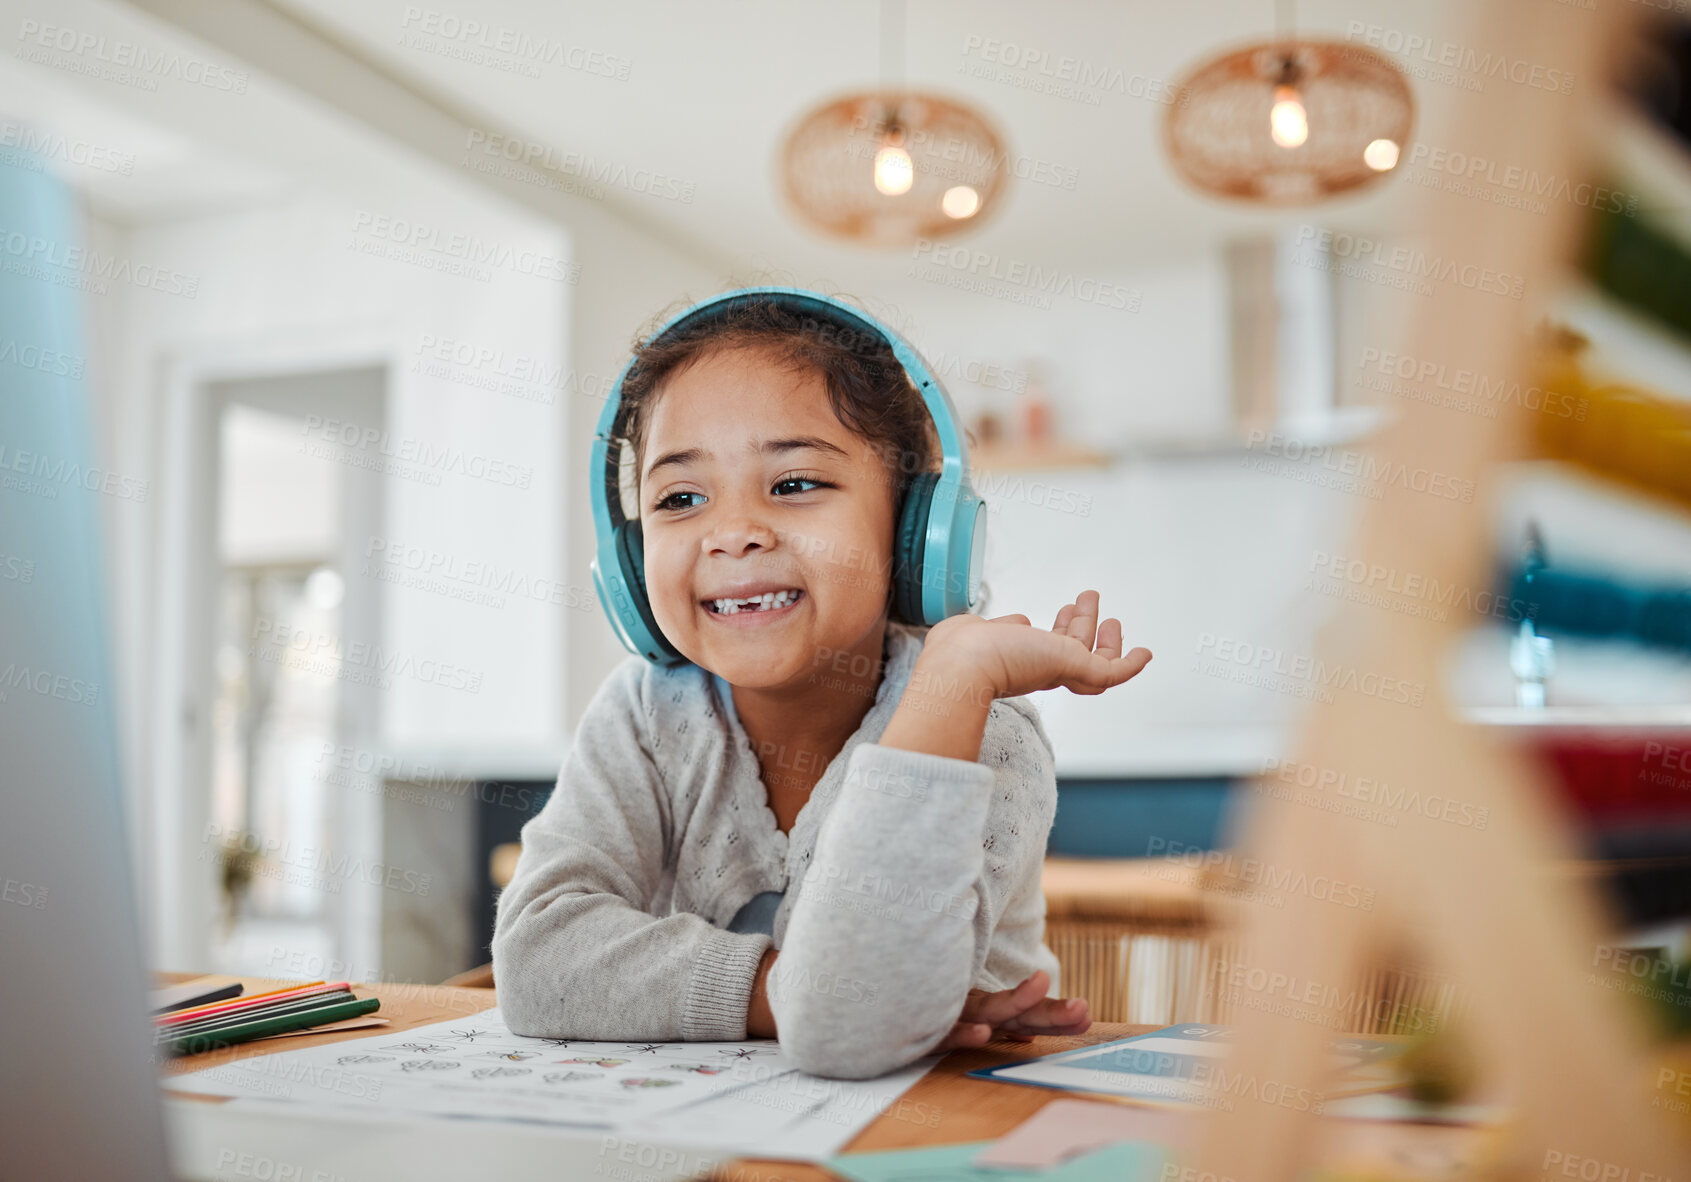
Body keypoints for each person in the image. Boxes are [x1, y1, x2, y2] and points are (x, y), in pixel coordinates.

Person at [492, 290, 1151, 1079]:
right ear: (632, 563)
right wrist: (780, 989)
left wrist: (951, 682)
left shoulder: (980, 721)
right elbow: (537, 961)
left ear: (915, 534)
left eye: (795, 484)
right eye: (681, 498)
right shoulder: (642, 712)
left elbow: (848, 1028)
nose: (733, 531)